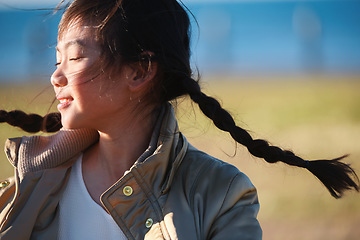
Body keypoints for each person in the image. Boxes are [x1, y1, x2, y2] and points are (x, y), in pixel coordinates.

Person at [0, 0, 358, 239]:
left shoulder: (221, 194)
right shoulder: (31, 180)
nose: (55, 77)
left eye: (74, 58)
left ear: (140, 71)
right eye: (55, 60)